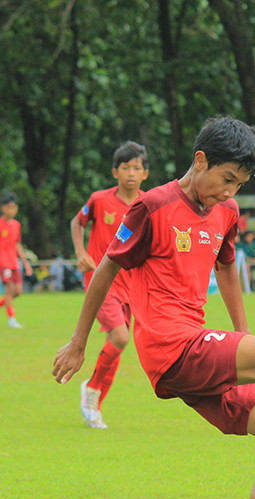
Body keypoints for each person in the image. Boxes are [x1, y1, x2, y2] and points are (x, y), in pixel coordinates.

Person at [53, 117, 255, 499]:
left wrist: (244, 335)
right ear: (200, 160)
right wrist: (79, 341)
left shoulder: (226, 213)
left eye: (238, 184)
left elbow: (226, 270)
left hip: (196, 353)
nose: (229, 192)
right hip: (168, 347)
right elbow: (106, 268)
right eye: (225, 180)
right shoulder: (151, 206)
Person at [69, 141, 150, 429]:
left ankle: (94, 405)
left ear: (145, 173)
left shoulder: (148, 204)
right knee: (120, 338)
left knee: (115, 345)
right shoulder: (99, 200)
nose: (131, 173)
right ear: (115, 171)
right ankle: (91, 389)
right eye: (125, 167)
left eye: (136, 168)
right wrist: (81, 253)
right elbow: (76, 223)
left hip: (133, 284)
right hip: (100, 282)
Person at [0, 193, 33, 328]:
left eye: (13, 208)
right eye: (8, 208)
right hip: (2, 262)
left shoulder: (17, 225)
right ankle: (11, 319)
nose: (11, 211)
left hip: (13, 262)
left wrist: (25, 261)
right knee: (8, 290)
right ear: (3, 208)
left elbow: (17, 244)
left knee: (17, 291)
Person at [235, 229, 255, 293]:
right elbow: (243, 258)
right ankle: (249, 287)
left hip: (253, 263)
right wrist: (253, 260)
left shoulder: (254, 244)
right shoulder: (242, 245)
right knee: (247, 268)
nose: (249, 238)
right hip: (245, 263)